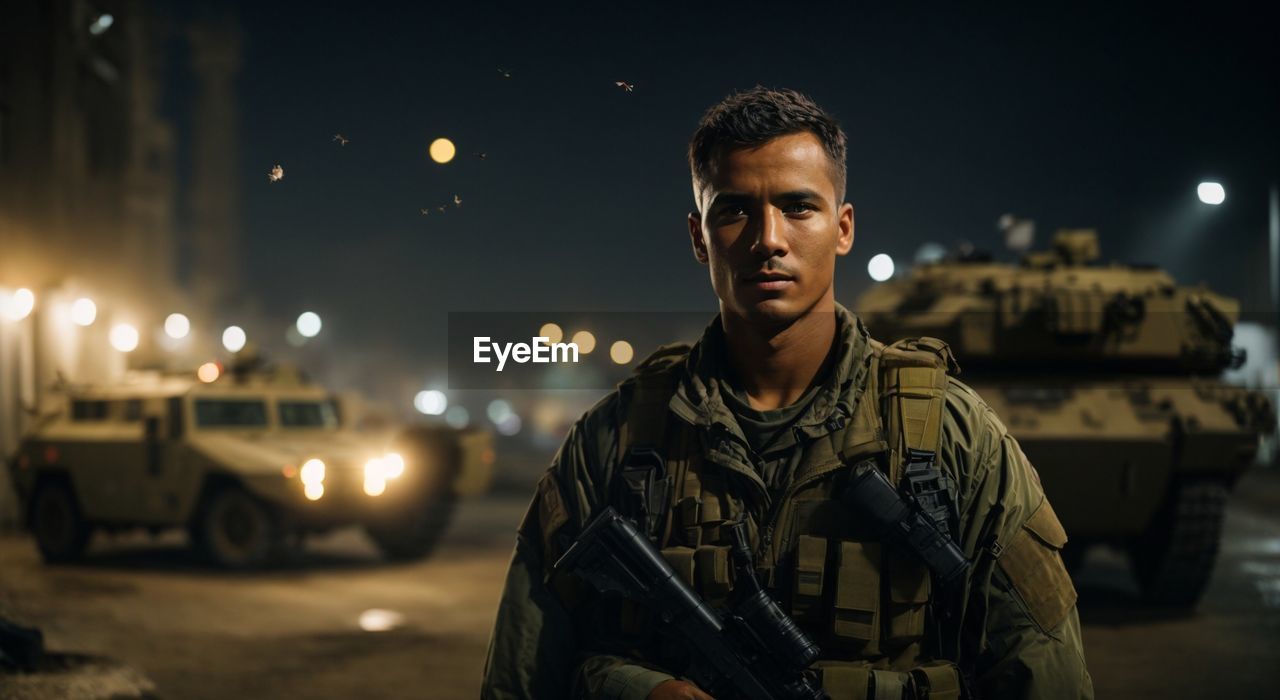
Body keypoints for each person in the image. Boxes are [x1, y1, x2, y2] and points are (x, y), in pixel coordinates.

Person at [481, 86, 1092, 699]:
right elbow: (520, 679)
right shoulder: (616, 438)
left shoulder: (954, 436)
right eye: (735, 210)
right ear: (700, 237)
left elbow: (1044, 672)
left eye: (800, 207)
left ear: (842, 228)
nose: (768, 239)